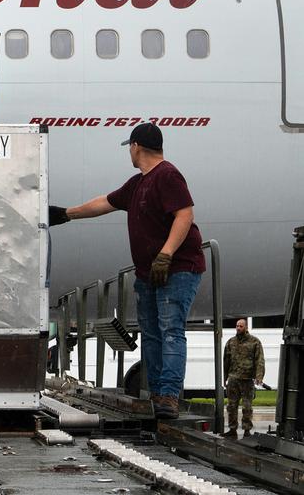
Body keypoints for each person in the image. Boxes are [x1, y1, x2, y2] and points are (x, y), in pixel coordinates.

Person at [49, 122, 205, 419]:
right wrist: (66, 214)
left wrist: (166, 254)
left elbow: (184, 215)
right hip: (149, 274)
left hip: (176, 269)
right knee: (152, 333)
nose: (129, 153)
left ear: (136, 147)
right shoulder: (138, 184)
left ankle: (169, 396)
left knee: (170, 330)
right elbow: (104, 203)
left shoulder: (167, 175)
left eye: (130, 148)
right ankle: (158, 395)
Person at [221, 318, 265, 439]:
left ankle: (246, 431)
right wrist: (225, 378)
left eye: (241, 326)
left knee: (247, 407)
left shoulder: (254, 342)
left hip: (247, 380)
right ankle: (232, 430)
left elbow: (259, 360)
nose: (238, 328)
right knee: (231, 406)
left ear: (246, 327)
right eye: (237, 326)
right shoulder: (231, 342)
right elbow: (226, 361)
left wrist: (259, 376)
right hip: (233, 379)